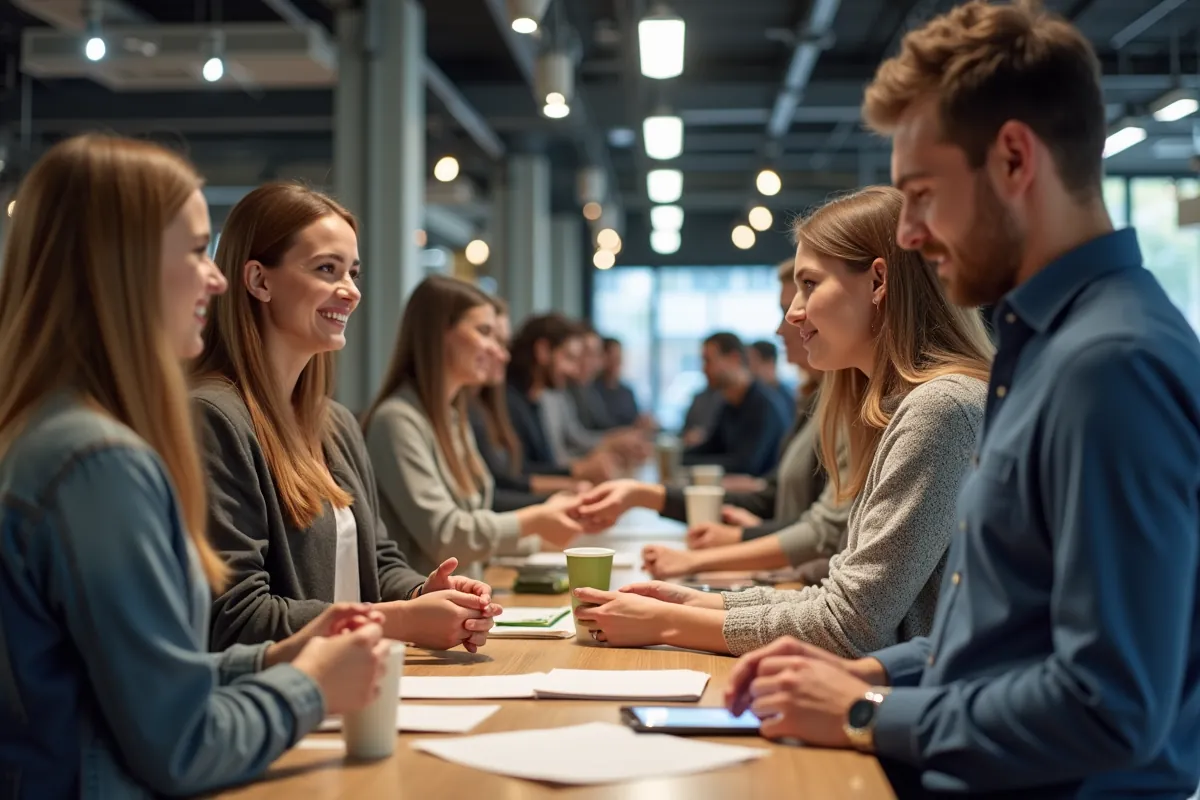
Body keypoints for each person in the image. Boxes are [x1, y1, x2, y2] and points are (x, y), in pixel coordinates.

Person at [725, 3, 1200, 797]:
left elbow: (1109, 706)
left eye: (920, 193)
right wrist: (871, 670)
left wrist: (866, 710)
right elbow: (1004, 636)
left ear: (1014, 159)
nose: (907, 232)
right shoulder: (1043, 348)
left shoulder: (1110, 366)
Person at [0, 134, 390, 797]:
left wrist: (280, 656)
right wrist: (310, 687)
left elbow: (136, 682)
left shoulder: (50, 433)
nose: (214, 276)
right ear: (116, 266)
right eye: (191, 250)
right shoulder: (98, 461)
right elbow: (179, 742)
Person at [571, 186, 993, 662]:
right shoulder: (911, 405)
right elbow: (843, 597)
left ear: (879, 281)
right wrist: (699, 602)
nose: (792, 314)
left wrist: (672, 623)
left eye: (809, 285)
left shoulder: (941, 408)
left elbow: (851, 626)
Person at [192, 182, 499, 653]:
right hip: (286, 703)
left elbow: (377, 561)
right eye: (326, 269)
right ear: (259, 281)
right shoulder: (214, 417)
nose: (351, 291)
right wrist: (400, 620)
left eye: (353, 272)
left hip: (353, 682)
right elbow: (235, 616)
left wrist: (425, 593)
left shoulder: (334, 422)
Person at [574, 257, 849, 586]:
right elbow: (778, 500)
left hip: (801, 585)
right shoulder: (816, 401)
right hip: (791, 578)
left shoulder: (821, 406)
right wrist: (644, 494)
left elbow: (822, 531)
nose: (782, 325)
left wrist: (726, 544)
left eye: (793, 307)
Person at [361, 275, 585, 575]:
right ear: (440, 334)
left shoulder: (453, 417)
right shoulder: (396, 421)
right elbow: (445, 537)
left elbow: (475, 532)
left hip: (468, 603)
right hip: (425, 610)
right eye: (484, 332)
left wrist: (549, 538)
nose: (499, 352)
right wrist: (535, 520)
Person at [469, 297, 589, 506]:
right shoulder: (500, 403)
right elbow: (497, 490)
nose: (503, 355)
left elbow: (510, 476)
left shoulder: (505, 401)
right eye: (487, 337)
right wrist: (564, 493)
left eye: (503, 344)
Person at [505, 312, 633, 475]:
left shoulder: (535, 399)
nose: (574, 370)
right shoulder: (512, 402)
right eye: (568, 358)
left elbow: (546, 461)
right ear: (543, 351)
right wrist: (580, 469)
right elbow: (518, 474)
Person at [681, 332, 790, 477]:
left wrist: (687, 463)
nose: (704, 369)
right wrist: (675, 458)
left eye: (708, 361)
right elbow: (711, 447)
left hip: (760, 496)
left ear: (734, 359)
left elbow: (745, 465)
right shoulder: (729, 403)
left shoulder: (763, 405)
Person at [567, 325, 618, 431]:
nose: (595, 363)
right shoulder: (560, 393)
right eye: (588, 354)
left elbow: (604, 426)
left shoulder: (590, 391)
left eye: (597, 355)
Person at [594, 336, 641, 427]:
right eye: (612, 357)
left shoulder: (627, 392)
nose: (617, 362)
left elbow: (635, 419)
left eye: (619, 357)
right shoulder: (590, 391)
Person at [747, 339, 796, 420]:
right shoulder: (753, 394)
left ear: (770, 361)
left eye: (752, 361)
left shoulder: (785, 398)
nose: (750, 367)